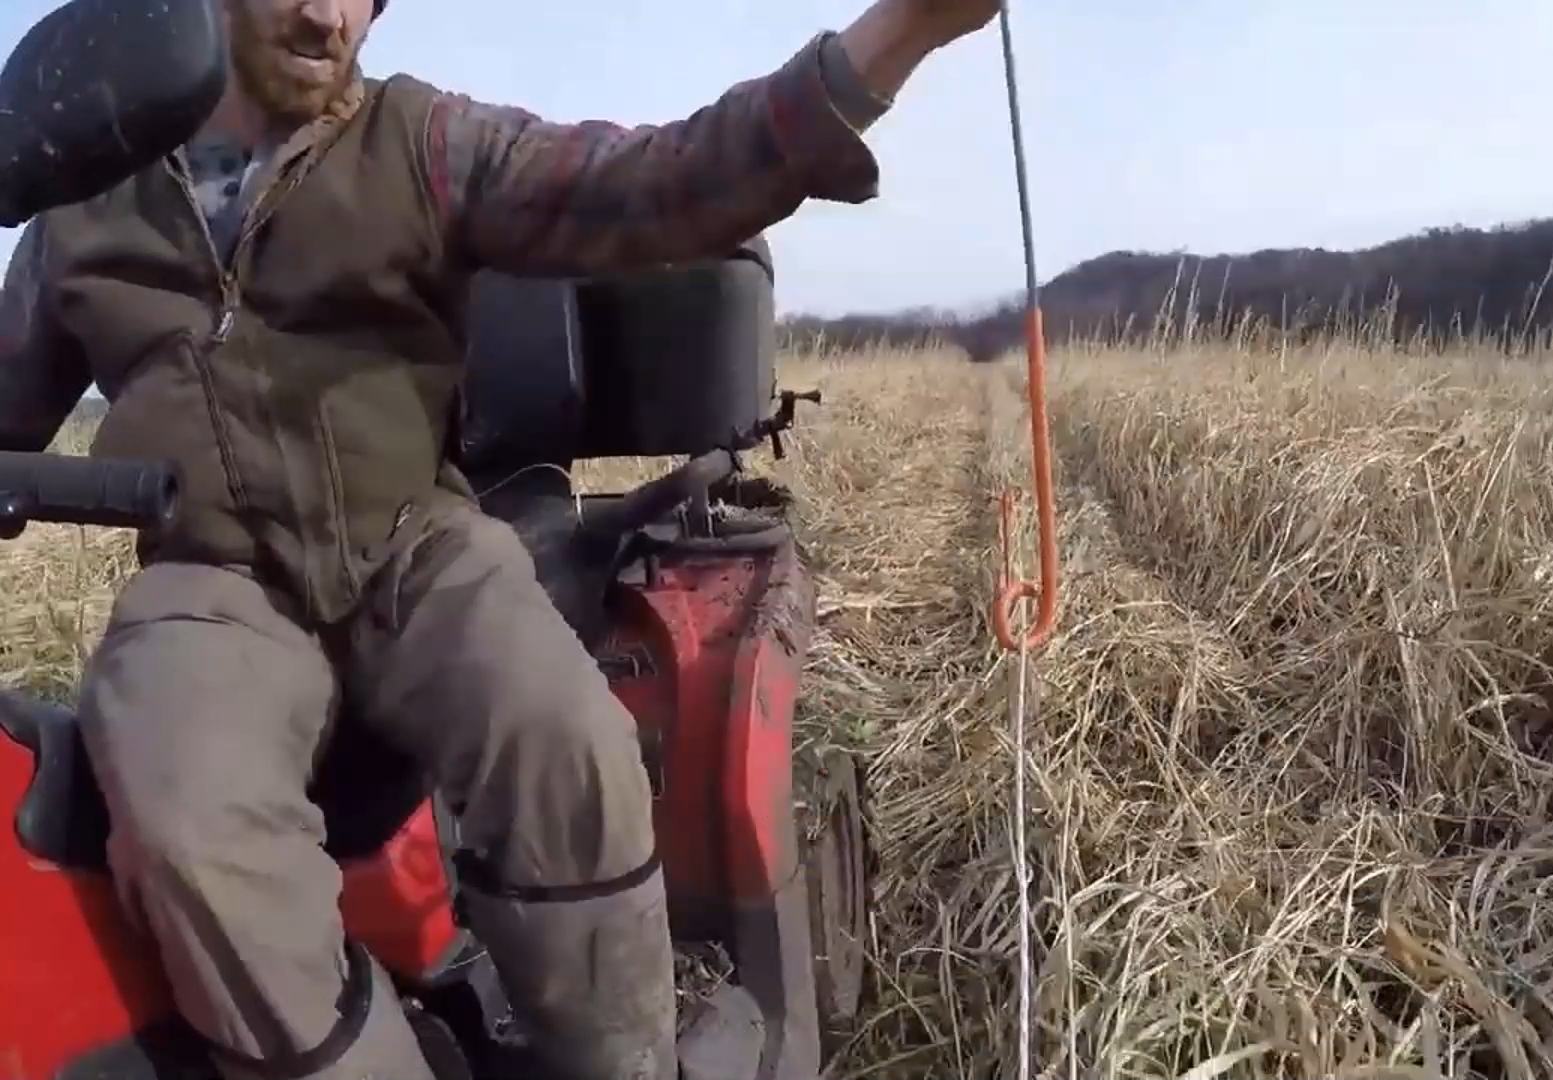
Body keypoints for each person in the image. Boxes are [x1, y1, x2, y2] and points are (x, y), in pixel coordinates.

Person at [0, 0, 998, 1076]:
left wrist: (901, 33)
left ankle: (619, 1058)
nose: (325, 11)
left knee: (567, 737)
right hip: (207, 580)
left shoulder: (423, 142)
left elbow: (663, 180)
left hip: (412, 543)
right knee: (187, 827)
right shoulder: (85, 205)